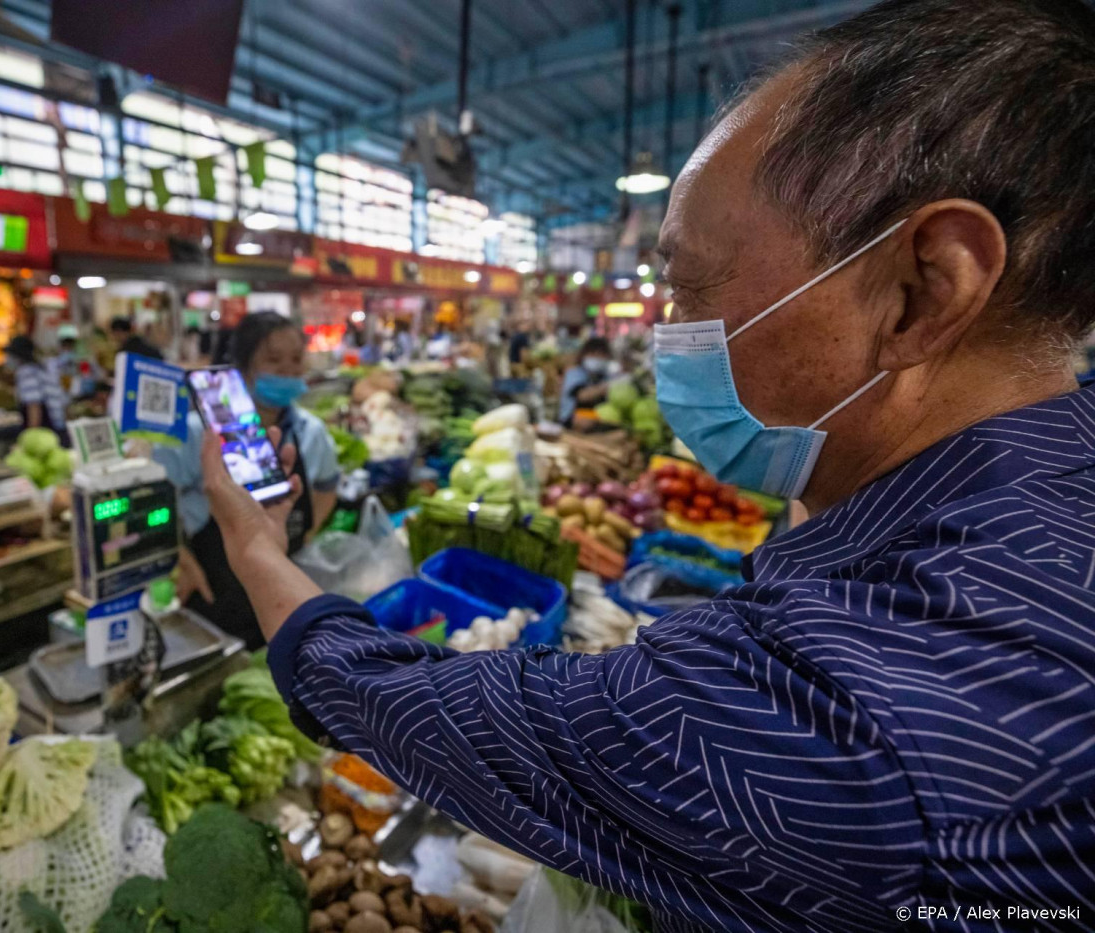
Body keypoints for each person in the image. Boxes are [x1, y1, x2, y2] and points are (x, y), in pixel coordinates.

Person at [193, 1, 1095, 929]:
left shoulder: (861, 718)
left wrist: (255, 547)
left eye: (688, 285)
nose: (669, 332)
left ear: (923, 291)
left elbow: (452, 717)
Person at [156, 311, 339, 649]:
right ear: (242, 366)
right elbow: (153, 498)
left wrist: (308, 532)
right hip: (213, 590)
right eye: (273, 360)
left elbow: (328, 486)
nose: (288, 370)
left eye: (296, 359)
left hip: (284, 590)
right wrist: (179, 559)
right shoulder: (197, 433)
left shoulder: (311, 432)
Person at [5, 335, 67, 441]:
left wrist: (31, 438)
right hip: (58, 427)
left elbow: (34, 406)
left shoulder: (27, 372)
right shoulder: (41, 370)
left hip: (47, 430)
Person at [557, 335, 612, 424]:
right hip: (571, 421)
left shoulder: (605, 376)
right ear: (583, 355)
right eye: (593, 354)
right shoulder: (574, 374)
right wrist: (605, 388)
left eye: (601, 354)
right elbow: (582, 395)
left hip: (597, 421)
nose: (597, 357)